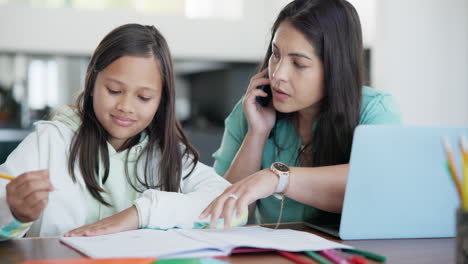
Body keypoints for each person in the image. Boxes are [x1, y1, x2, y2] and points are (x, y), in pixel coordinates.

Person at [0, 23, 231, 240]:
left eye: (144, 97)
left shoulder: (168, 154)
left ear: (161, 100)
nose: (125, 107)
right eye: (114, 90)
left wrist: (140, 213)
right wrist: (14, 214)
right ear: (91, 82)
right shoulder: (50, 142)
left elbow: (230, 205)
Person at [200, 0, 402, 228]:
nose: (278, 74)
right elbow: (222, 215)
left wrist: (277, 178)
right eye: (275, 55)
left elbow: (375, 184)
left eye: (298, 64)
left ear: (335, 68)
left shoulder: (375, 110)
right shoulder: (252, 109)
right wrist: (257, 134)